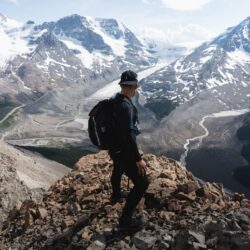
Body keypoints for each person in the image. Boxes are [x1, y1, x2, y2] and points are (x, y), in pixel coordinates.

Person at [108, 70, 149, 230]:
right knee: (142, 183)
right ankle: (125, 221)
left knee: (118, 169)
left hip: (114, 149)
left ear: (121, 85)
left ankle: (116, 194)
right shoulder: (126, 107)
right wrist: (138, 159)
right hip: (125, 151)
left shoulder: (115, 100)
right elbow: (129, 136)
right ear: (135, 86)